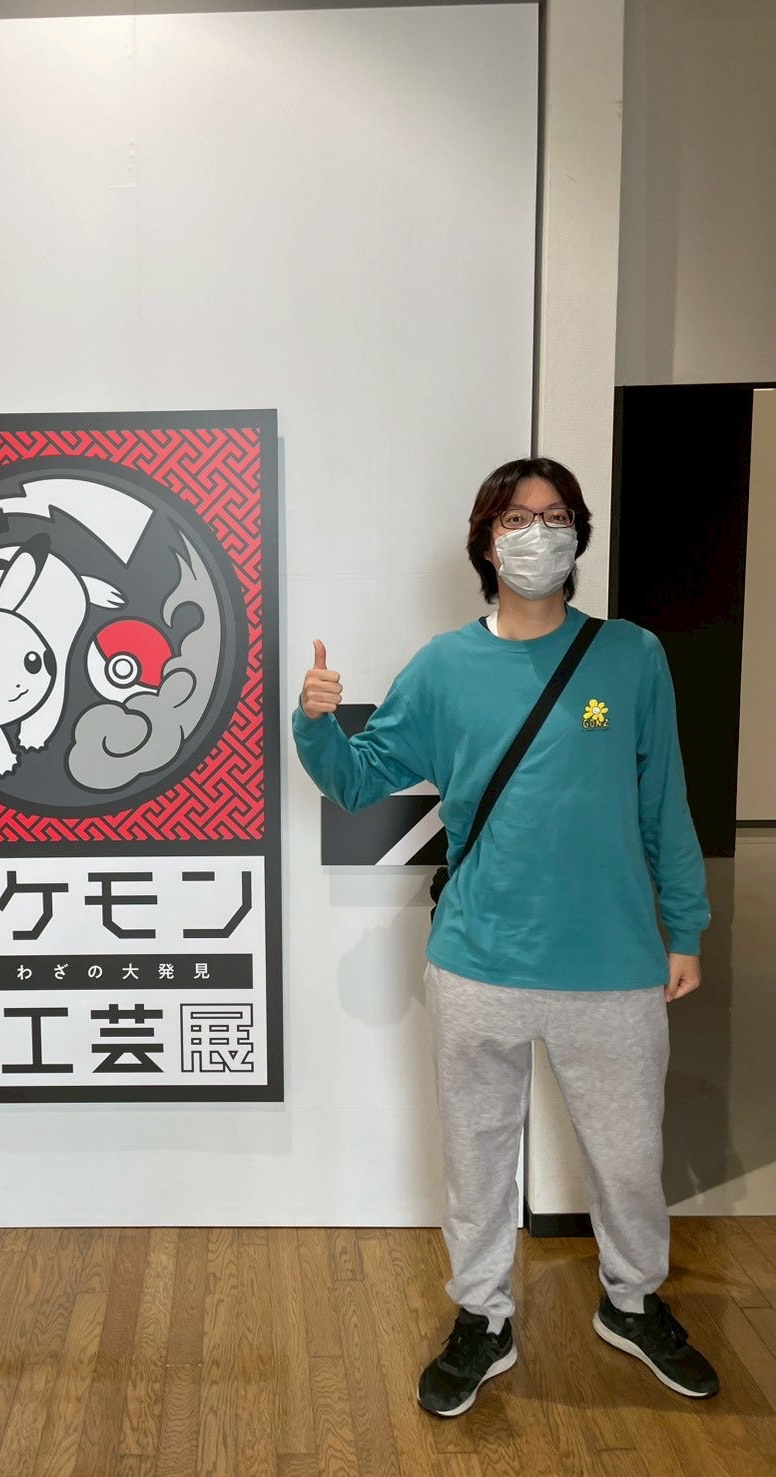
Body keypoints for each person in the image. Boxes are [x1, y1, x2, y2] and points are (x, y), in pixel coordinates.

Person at [292, 457, 719, 1418]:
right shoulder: (444, 666)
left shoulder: (631, 656)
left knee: (628, 1161)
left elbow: (665, 802)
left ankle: (632, 1301)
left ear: (579, 534)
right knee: (478, 1158)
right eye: (518, 518)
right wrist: (315, 725)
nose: (538, 532)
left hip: (613, 963)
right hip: (479, 962)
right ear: (487, 542)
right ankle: (483, 1316)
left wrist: (685, 926)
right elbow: (359, 780)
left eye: (556, 515)